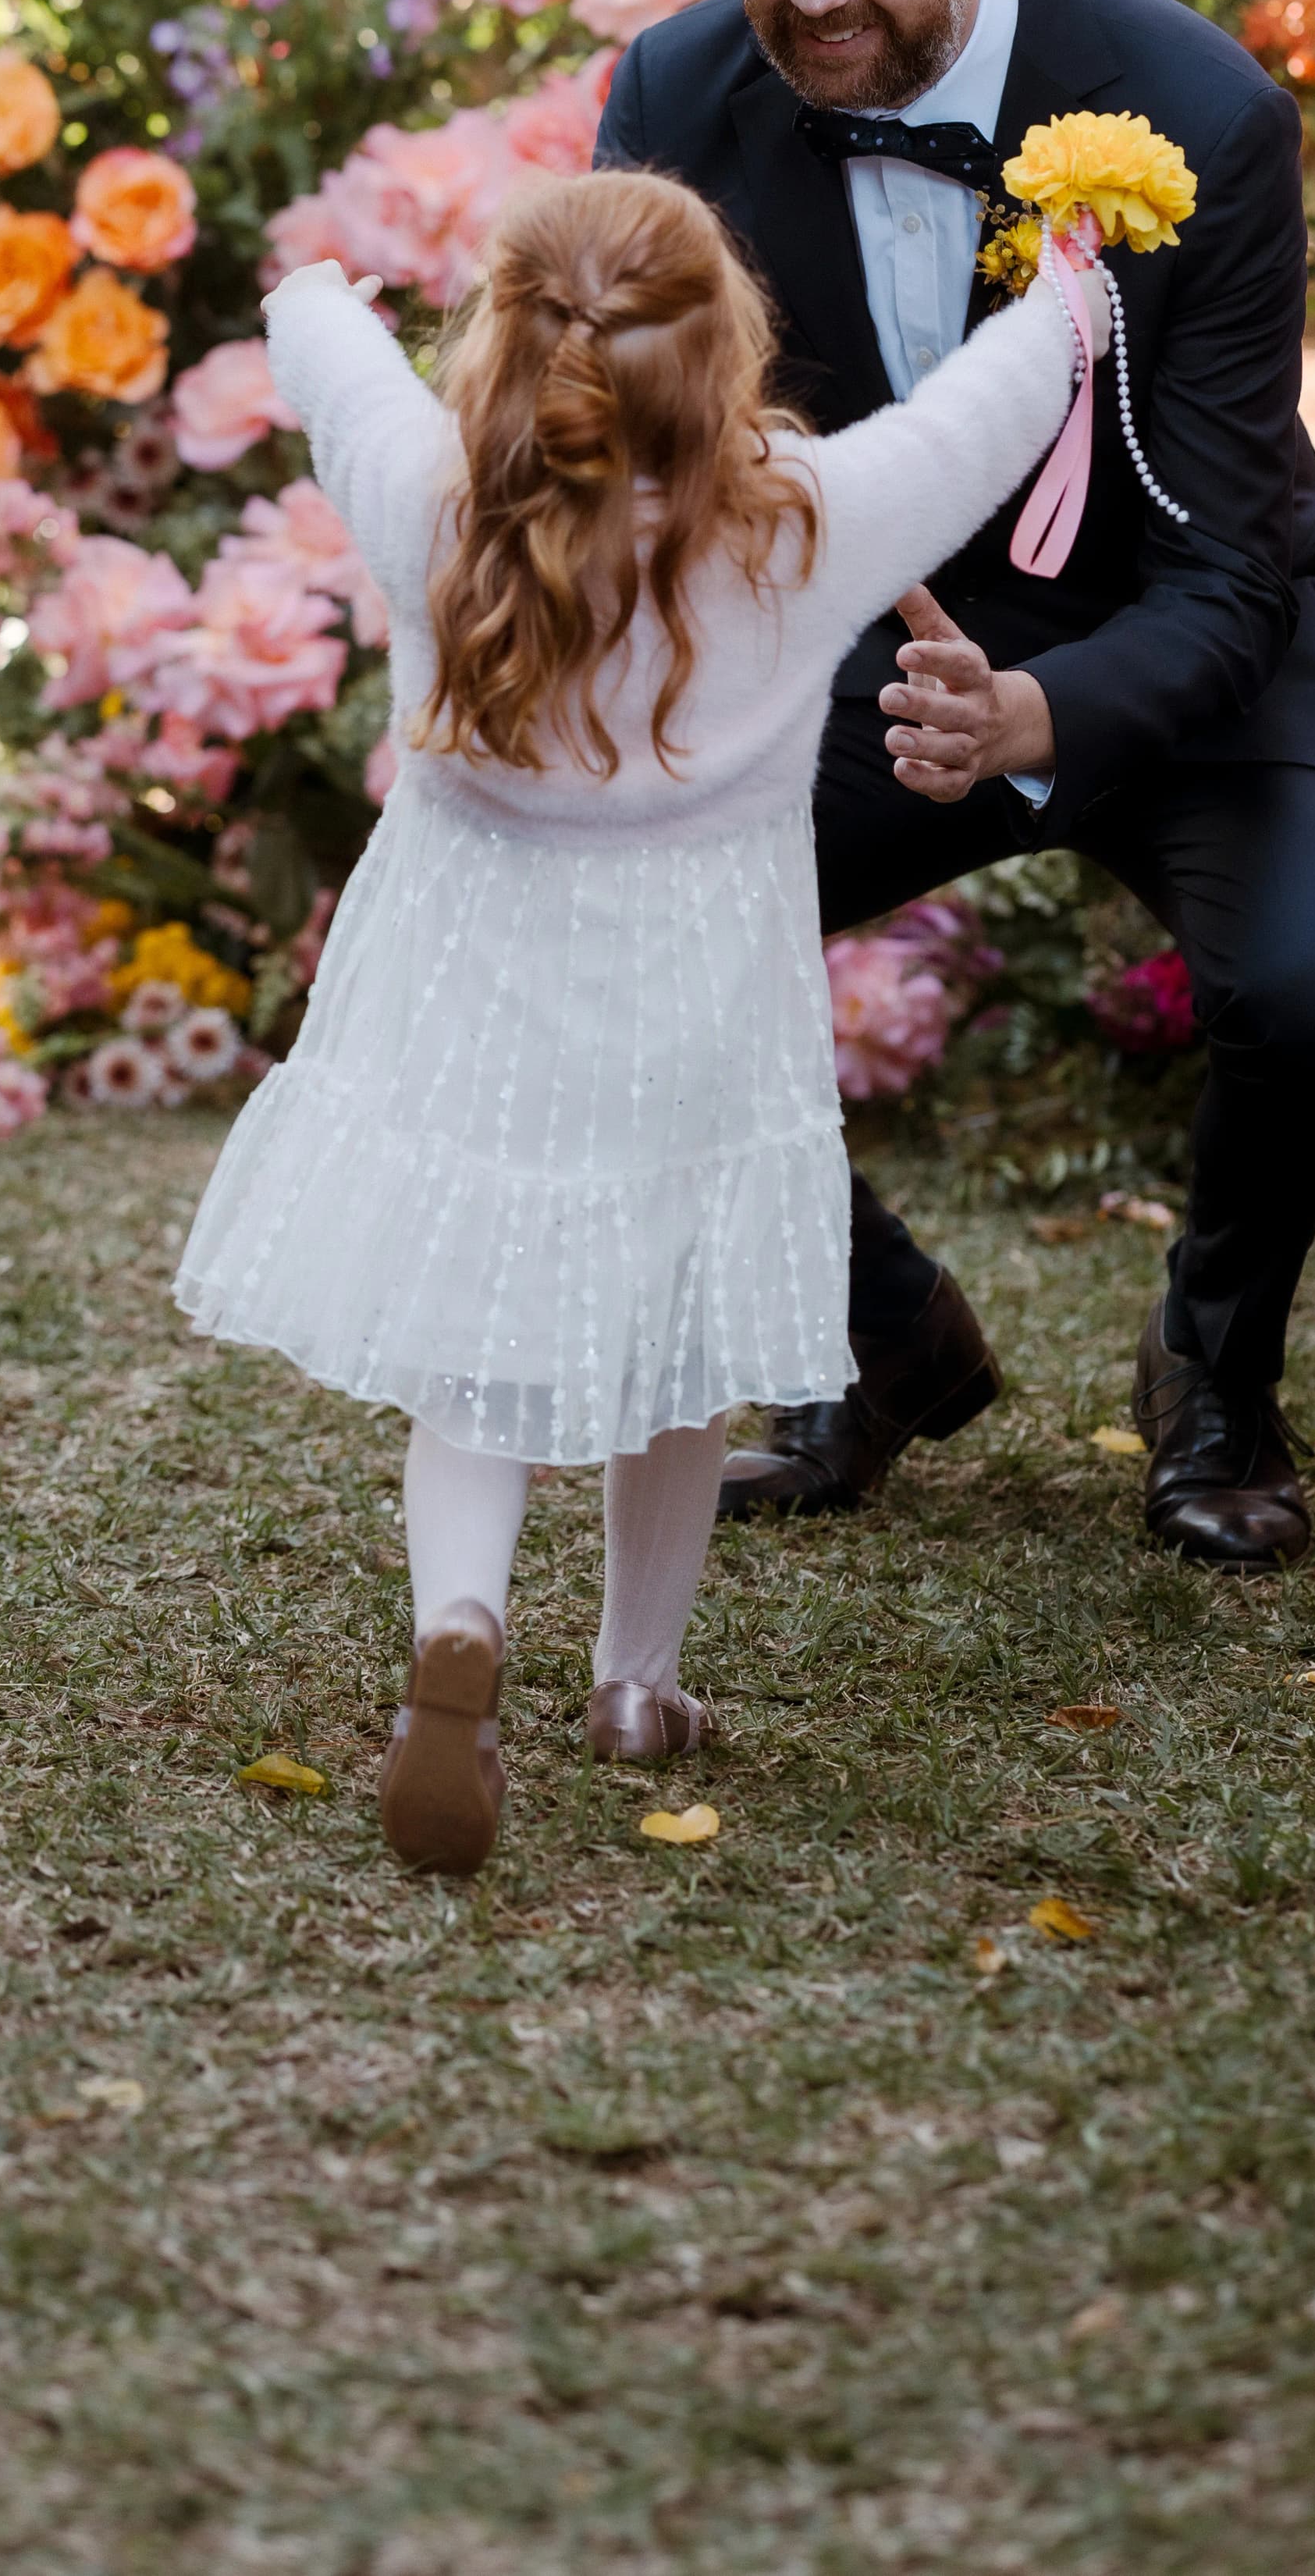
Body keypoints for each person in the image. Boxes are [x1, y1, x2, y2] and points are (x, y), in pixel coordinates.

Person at [173, 170, 1104, 1873]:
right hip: (701, 1003)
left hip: (474, 992)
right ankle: (634, 1682)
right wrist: (1065, 302)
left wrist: (308, 297)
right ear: (721, 349)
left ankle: (461, 1620)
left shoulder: (434, 501)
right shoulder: (802, 526)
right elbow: (973, 427)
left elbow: (343, 376)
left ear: (511, 343)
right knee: (681, 1335)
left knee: (474, 1347)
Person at [595, 0, 1315, 1570]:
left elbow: (1227, 570)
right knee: (601, 894)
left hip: (1198, 634)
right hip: (868, 653)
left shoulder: (1201, 110)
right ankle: (876, 1333)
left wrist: (1033, 718)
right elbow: (646, 470)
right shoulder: (672, 96)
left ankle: (1213, 1359)